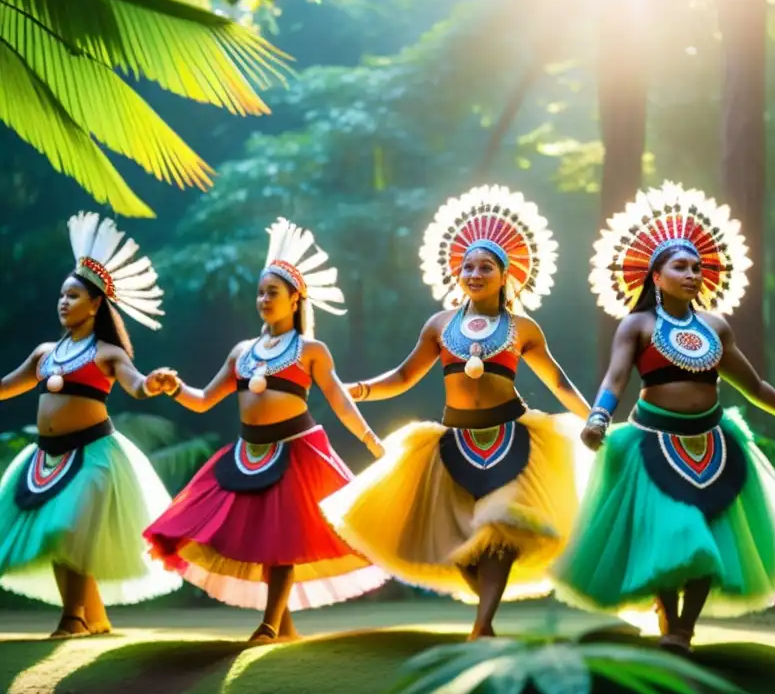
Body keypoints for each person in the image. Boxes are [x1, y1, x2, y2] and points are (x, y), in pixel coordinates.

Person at [551, 181, 775, 654]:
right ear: (655, 276)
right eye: (680, 266)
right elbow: (616, 380)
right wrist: (598, 417)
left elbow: (753, 387)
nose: (692, 273)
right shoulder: (637, 325)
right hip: (651, 442)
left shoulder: (717, 327)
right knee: (669, 533)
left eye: (697, 267)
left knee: (708, 534)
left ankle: (683, 630)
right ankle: (669, 617)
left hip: (714, 443)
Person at [330, 185, 592, 640]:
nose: (474, 273)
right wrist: (361, 389)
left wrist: (595, 418)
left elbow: (559, 381)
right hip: (453, 440)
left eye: (485, 266)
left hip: (514, 436)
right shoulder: (439, 324)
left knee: (503, 526)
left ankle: (483, 624)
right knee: (456, 541)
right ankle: (483, 612)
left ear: (504, 275)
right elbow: (404, 376)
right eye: (467, 266)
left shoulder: (522, 327)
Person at [143, 218, 388, 643]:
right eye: (260, 292)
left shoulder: (312, 350)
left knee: (282, 542)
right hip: (248, 453)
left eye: (272, 292)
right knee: (255, 540)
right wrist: (173, 387)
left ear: (295, 299)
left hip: (297, 453)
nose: (263, 299)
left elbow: (340, 401)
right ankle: (284, 629)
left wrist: (370, 441)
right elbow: (203, 400)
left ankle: (269, 625)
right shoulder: (242, 352)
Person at [0, 212, 181, 638]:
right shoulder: (46, 352)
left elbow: (135, 385)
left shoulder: (107, 353)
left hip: (94, 455)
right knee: (57, 531)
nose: (64, 302)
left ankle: (73, 617)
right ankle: (93, 617)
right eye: (62, 295)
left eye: (75, 296)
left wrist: (152, 383)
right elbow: (6, 386)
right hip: (45, 456)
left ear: (96, 304)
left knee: (68, 526)